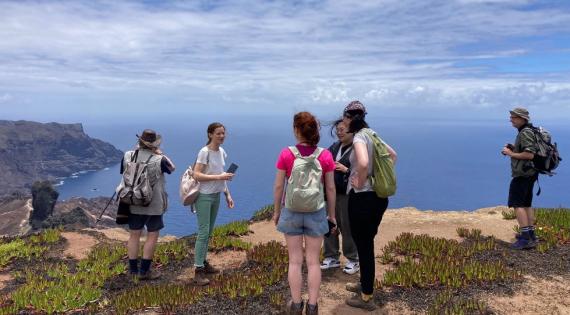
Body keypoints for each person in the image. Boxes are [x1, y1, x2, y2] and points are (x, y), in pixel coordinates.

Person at [272, 112, 336, 315]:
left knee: (295, 261)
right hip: (316, 212)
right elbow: (331, 188)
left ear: (296, 130)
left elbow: (278, 186)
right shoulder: (325, 155)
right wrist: (331, 215)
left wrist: (276, 212)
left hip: (291, 211)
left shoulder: (287, 154)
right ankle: (313, 306)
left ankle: (296, 304)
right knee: (314, 261)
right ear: (315, 131)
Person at [341, 101, 397, 311]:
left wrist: (361, 180)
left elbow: (363, 163)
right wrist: (376, 179)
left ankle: (366, 297)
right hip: (378, 198)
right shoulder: (372, 133)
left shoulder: (358, 137)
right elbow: (393, 155)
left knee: (363, 246)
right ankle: (365, 283)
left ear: (348, 117)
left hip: (362, 199)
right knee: (366, 243)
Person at [123, 129, 175, 280]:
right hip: (153, 203)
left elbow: (123, 172)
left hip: (132, 201)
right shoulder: (159, 159)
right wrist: (159, 153)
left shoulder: (128, 155)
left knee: (134, 235)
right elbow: (172, 168)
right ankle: (144, 271)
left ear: (139, 142)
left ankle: (132, 270)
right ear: (154, 144)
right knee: (152, 235)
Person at [192, 122, 235, 285]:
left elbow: (221, 174)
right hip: (204, 196)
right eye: (218, 133)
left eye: (223, 133)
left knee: (208, 232)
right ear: (210, 134)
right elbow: (197, 174)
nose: (222, 136)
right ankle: (198, 270)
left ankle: (203, 262)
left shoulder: (222, 152)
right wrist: (219, 177)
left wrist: (227, 195)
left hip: (216, 195)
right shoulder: (204, 152)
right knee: (203, 233)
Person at [320, 120, 359, 275]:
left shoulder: (358, 148)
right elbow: (323, 161)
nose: (339, 132)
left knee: (347, 225)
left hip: (347, 194)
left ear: (352, 131)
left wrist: (346, 169)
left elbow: (366, 170)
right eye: (338, 129)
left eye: (342, 129)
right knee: (329, 223)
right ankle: (331, 257)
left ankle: (353, 259)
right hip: (331, 193)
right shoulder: (335, 146)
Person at [501, 107, 538, 250]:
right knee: (526, 203)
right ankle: (530, 234)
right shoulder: (529, 131)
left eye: (514, 117)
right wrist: (515, 148)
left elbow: (529, 155)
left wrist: (510, 153)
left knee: (517, 204)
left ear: (522, 119)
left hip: (523, 174)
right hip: (530, 173)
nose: (511, 119)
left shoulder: (525, 132)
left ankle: (525, 239)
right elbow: (528, 150)